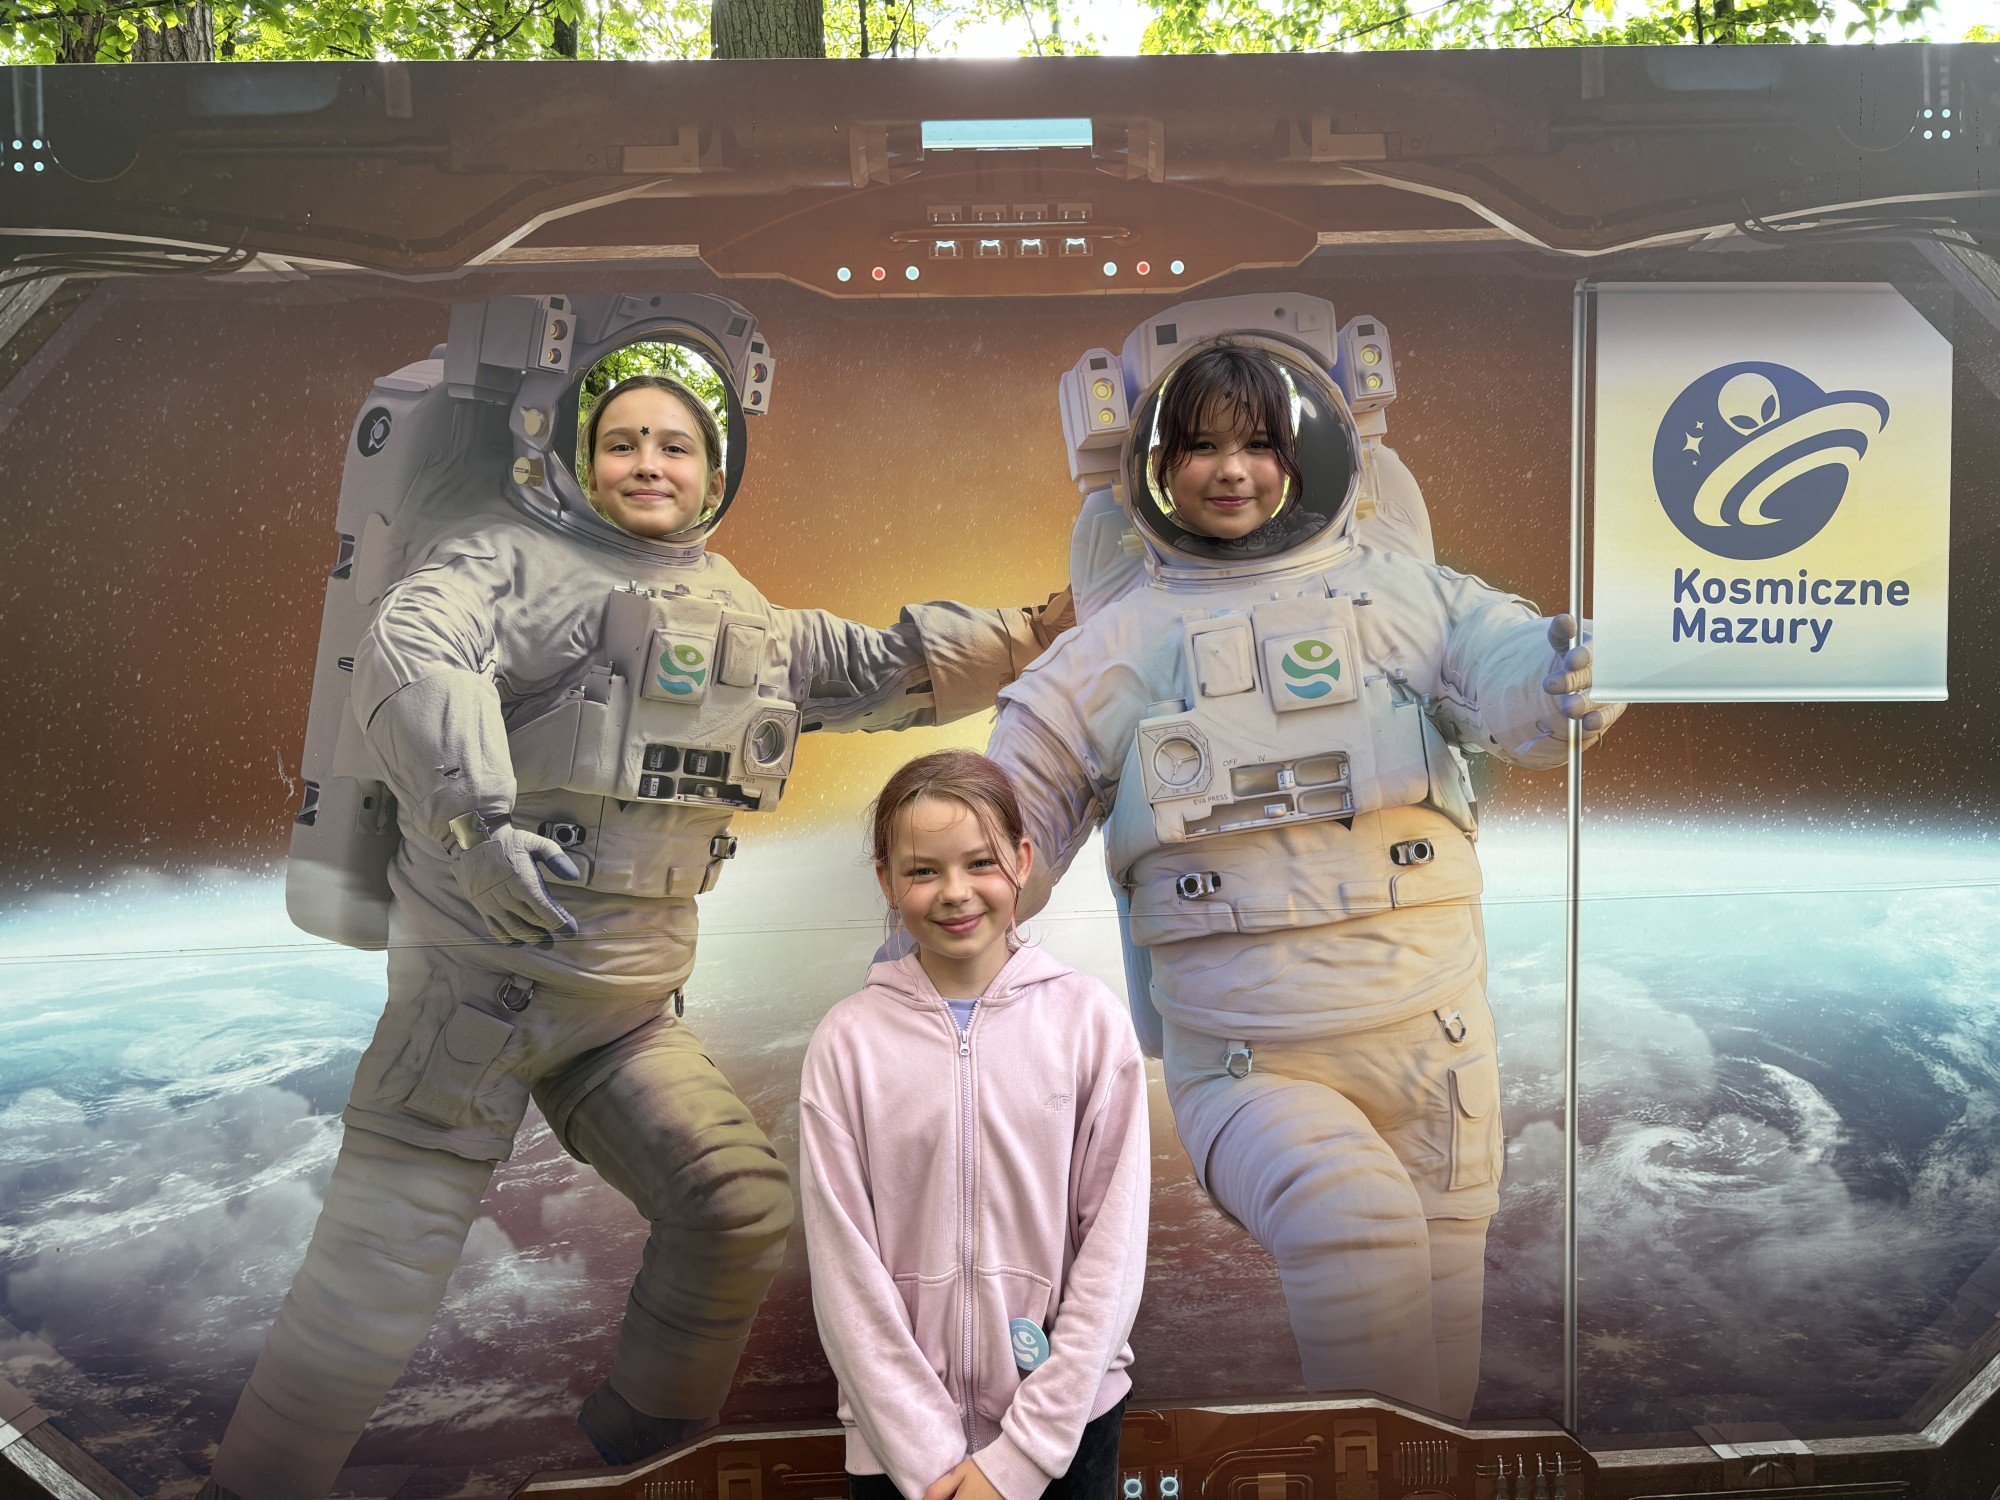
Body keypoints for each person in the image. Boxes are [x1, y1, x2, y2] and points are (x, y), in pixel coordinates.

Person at [205, 376, 1069, 1498]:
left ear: (716, 474)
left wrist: (1035, 633)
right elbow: (417, 647)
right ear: (577, 461)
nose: (649, 463)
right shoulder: (506, 563)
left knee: (736, 1211)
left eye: (674, 445)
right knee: (371, 1287)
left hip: (618, 1016)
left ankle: (638, 1458)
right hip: (476, 1000)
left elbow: (876, 667)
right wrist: (477, 824)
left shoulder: (738, 609)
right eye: (621, 443)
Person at [987, 339, 1619, 1421]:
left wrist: (1565, 677)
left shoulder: (1406, 599)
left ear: (1299, 458)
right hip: (1254, 1063)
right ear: (1157, 467)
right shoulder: (1125, 643)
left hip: (1433, 1055)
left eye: (1255, 445)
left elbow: (1508, 666)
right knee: (1352, 1225)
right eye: (1200, 448)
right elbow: (1003, 821)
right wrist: (921, 956)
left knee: (1440, 1396)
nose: (1230, 471)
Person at [798, 751, 1148, 1500]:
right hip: (901, 1457)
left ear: (1021, 861)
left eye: (980, 862)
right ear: (887, 880)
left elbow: (1112, 1254)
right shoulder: (847, 1042)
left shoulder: (1090, 1022)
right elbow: (843, 1270)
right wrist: (928, 1459)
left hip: (1065, 1437)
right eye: (923, 871)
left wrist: (1020, 1457)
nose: (955, 893)